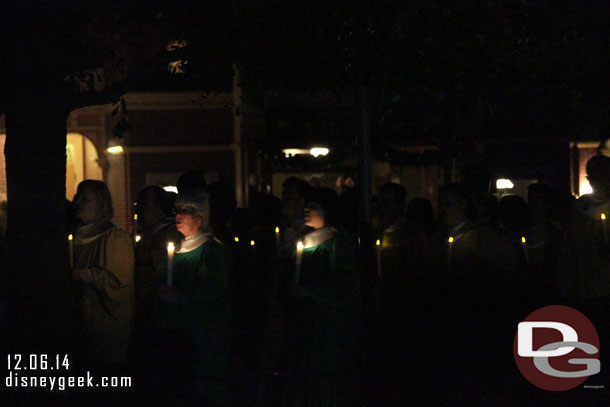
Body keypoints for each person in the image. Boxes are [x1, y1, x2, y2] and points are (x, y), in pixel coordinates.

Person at [280, 187, 360, 406]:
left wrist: (311, 292)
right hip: (303, 323)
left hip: (327, 326)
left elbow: (344, 284)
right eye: (306, 205)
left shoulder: (338, 243)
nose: (306, 209)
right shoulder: (302, 241)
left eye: (313, 206)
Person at [155, 191, 231, 404]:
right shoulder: (176, 249)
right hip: (174, 331)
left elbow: (215, 292)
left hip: (201, 334)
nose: (179, 215)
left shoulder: (211, 251)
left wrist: (181, 298)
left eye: (186, 210)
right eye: (176, 210)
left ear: (201, 217)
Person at [72, 180, 134, 370]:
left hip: (105, 327)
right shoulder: (78, 236)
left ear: (101, 205)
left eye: (85, 199)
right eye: (77, 197)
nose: (78, 203)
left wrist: (88, 275)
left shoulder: (114, 238)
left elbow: (120, 286)